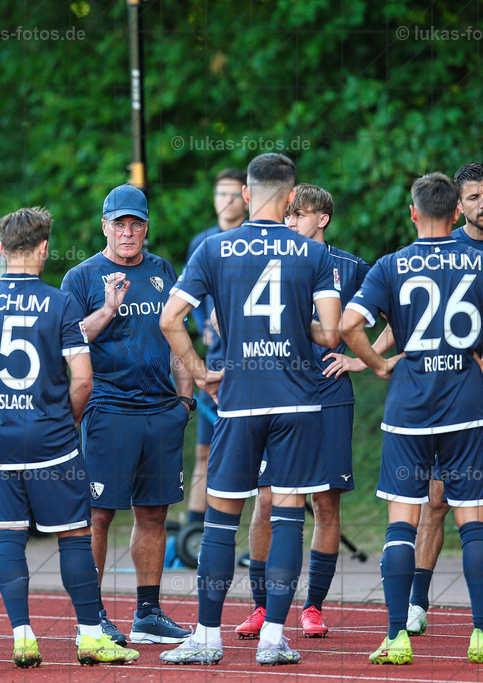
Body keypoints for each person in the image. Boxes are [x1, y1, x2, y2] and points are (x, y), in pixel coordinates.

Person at [340, 172, 483, 665]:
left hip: (408, 409)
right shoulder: (482, 260)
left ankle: (396, 637)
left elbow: (347, 325)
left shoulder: (389, 265)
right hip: (467, 407)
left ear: (412, 213)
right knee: (473, 520)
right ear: (455, 214)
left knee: (401, 524)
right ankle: (481, 634)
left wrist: (381, 364)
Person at [159, 152, 342, 666]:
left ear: (245, 194)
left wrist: (199, 372)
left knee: (221, 521)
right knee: (287, 517)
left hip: (240, 400)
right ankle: (273, 639)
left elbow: (172, 319)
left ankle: (207, 637)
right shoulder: (312, 253)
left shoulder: (214, 248)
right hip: (298, 403)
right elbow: (330, 334)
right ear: (290, 200)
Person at [0, 207, 140, 667]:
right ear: (43, 249)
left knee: (8, 537)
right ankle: (91, 637)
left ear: (1, 250)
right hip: (52, 437)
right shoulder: (60, 303)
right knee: (74, 535)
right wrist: (61, 420)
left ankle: (21, 636)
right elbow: (83, 382)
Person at [234, 183, 370, 640]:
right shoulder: (267, 259)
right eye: (286, 215)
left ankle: (312, 606)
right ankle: (261, 605)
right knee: (267, 500)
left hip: (328, 396)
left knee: (324, 502)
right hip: (277, 395)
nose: (289, 222)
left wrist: (361, 359)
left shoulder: (351, 267)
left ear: (322, 218)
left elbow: (397, 316)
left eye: (299, 215)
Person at [59, 184, 194, 646]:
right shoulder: (81, 276)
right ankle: (92, 618)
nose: (128, 232)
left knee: (154, 512)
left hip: (162, 410)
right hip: (109, 408)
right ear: (104, 227)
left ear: (146, 227)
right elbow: (71, 339)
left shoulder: (162, 270)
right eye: (119, 224)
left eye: (136, 223)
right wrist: (109, 307)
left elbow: (177, 336)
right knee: (99, 515)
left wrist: (186, 398)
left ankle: (148, 612)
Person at [405, 162, 483, 633]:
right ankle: (417, 601)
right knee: (436, 497)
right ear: (457, 207)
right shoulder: (445, 248)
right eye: (474, 198)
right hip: (453, 390)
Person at [184, 169, 247, 529]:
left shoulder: (254, 239)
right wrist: (201, 325)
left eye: (232, 194)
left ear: (246, 198)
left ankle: (252, 541)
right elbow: (187, 297)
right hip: (216, 361)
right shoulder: (203, 242)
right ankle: (195, 531)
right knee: (205, 451)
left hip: (252, 362)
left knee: (255, 456)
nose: (225, 201)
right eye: (220, 194)